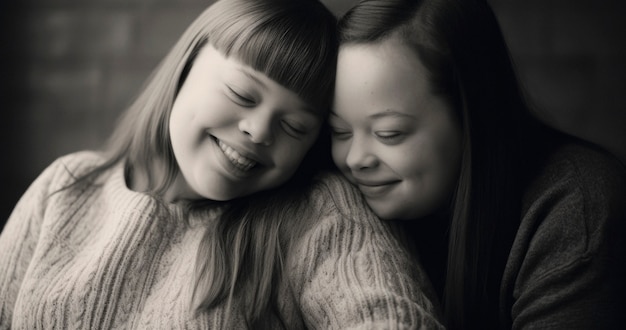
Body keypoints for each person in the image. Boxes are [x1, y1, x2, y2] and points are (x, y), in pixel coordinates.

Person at [0, 0, 445, 328]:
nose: (258, 131)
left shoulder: (318, 216)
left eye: (295, 126)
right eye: (242, 95)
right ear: (187, 65)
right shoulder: (68, 184)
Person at [330, 0, 626, 328]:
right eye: (338, 130)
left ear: (474, 117)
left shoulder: (578, 208)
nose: (355, 159)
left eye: (390, 133)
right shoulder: (331, 198)